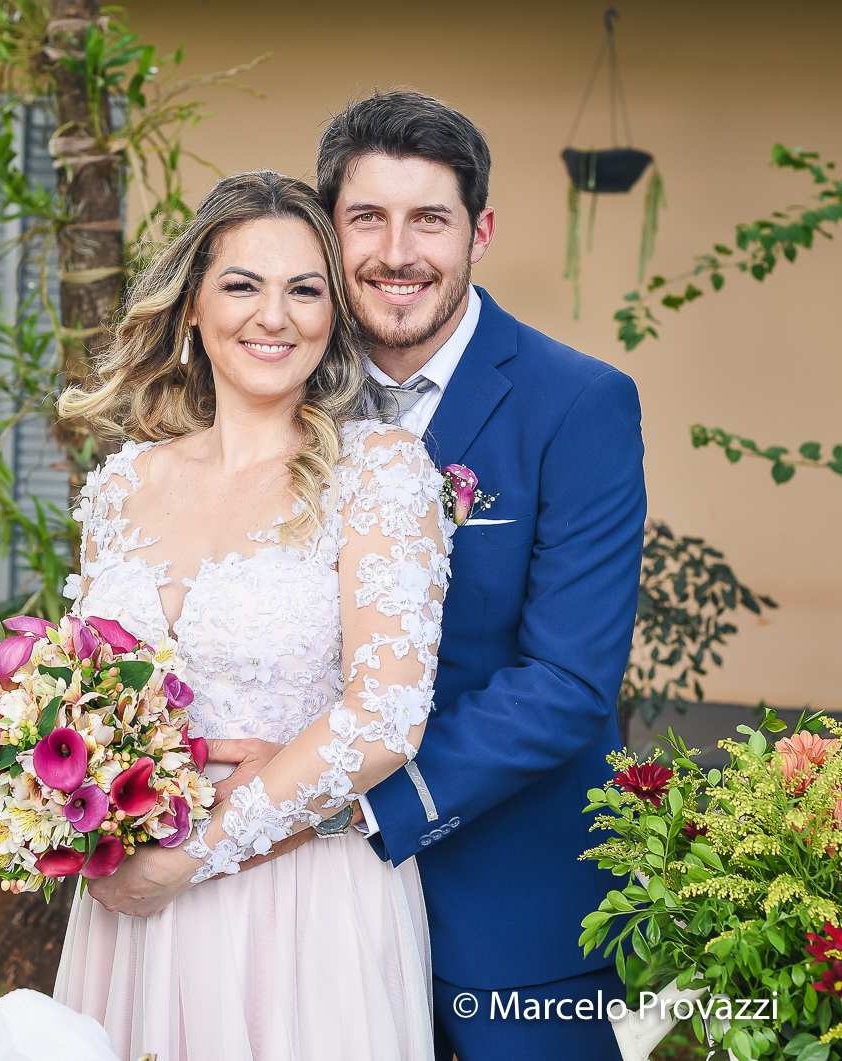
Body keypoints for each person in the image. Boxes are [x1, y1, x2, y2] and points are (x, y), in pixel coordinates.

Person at [207, 91, 647, 1060]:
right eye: (367, 217)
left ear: (479, 232)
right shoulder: (264, 389)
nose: (397, 252)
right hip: (292, 911)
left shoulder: (579, 404)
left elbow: (568, 680)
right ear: (328, 233)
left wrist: (343, 803)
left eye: (430, 220)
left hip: (510, 911)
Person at [52, 170, 449, 1061]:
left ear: (333, 316)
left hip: (299, 909)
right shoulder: (121, 485)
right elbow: (81, 699)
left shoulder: (379, 472)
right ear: (193, 304)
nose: (275, 316)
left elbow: (385, 717)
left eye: (304, 290)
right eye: (243, 284)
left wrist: (189, 860)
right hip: (127, 908)